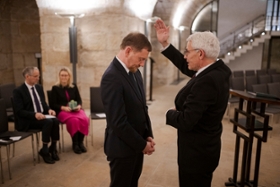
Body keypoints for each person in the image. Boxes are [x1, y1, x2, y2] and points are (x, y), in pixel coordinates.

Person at [154, 19, 231, 187]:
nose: (185, 55)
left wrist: (170, 113)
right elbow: (187, 65)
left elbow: (186, 121)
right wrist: (165, 43)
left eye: (187, 52)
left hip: (196, 155)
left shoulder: (208, 81)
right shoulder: (218, 70)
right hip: (207, 148)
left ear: (201, 53)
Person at [100, 32, 156, 187]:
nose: (143, 64)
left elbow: (142, 108)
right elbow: (118, 122)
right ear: (128, 51)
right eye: (141, 58)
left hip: (136, 144)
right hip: (121, 149)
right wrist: (142, 144)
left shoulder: (135, 73)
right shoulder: (111, 77)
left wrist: (147, 135)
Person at [13, 66, 60, 164]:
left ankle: (53, 147)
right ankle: (45, 150)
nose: (38, 78)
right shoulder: (18, 91)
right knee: (48, 122)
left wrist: (49, 110)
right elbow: (19, 111)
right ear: (27, 76)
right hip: (28, 120)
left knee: (55, 120)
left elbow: (43, 103)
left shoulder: (38, 87)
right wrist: (34, 114)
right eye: (35, 76)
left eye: (38, 76)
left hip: (41, 116)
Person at [49, 67, 89, 154]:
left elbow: (79, 99)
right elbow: (52, 104)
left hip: (75, 110)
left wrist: (79, 106)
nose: (64, 77)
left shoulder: (73, 86)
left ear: (69, 76)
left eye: (66, 75)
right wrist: (63, 107)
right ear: (59, 76)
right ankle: (75, 144)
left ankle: (80, 142)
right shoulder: (55, 88)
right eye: (62, 75)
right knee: (74, 120)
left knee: (85, 119)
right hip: (62, 111)